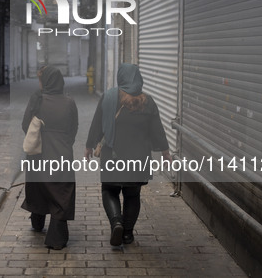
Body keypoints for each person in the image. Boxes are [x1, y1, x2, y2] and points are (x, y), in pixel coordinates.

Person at [85, 63, 171, 246]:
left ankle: (116, 222)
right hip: (138, 157)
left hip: (113, 155)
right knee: (132, 195)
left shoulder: (109, 98)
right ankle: (127, 234)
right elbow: (158, 130)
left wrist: (89, 146)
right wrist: (165, 153)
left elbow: (97, 123)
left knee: (110, 190)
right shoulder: (148, 101)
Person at [21, 65, 78, 250]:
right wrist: (64, 142)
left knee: (38, 187)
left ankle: (37, 222)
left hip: (38, 153)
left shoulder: (37, 99)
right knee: (61, 192)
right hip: (61, 152)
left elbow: (25, 125)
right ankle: (56, 237)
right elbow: (73, 129)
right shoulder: (69, 102)